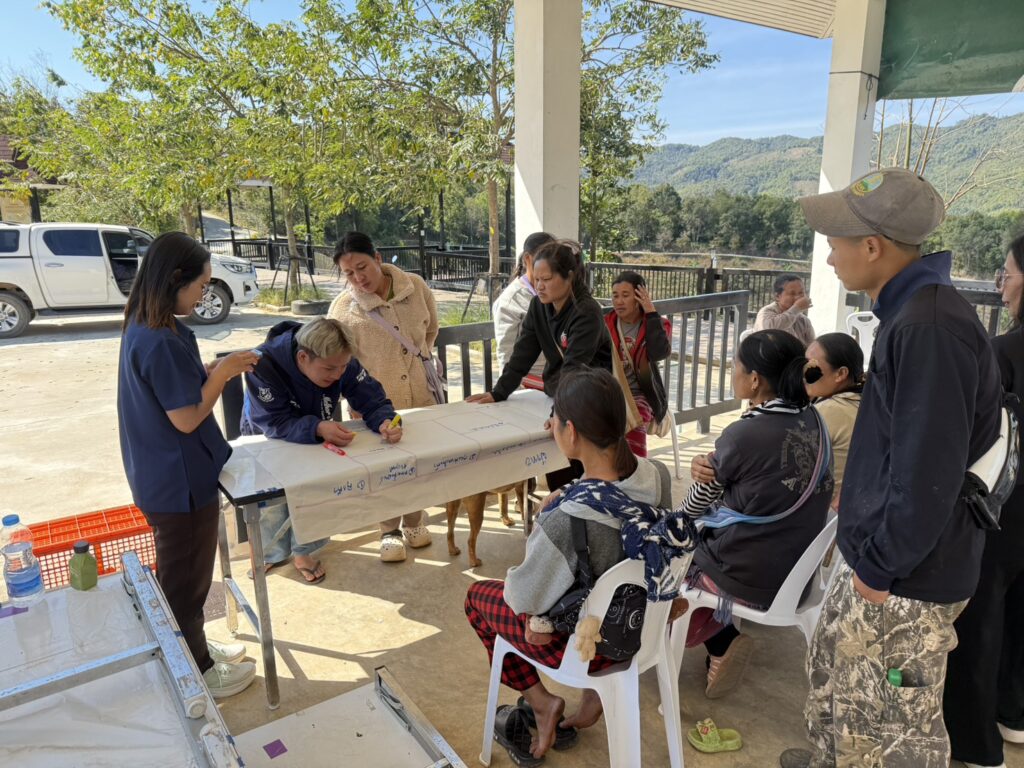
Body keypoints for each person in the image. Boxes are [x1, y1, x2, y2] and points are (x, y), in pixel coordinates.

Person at [779, 168, 1003, 768]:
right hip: (882, 557)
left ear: (873, 246)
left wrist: (879, 565)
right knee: (840, 695)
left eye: (836, 242)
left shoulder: (930, 327)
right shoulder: (911, 313)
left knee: (889, 733)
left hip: (906, 574)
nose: (830, 258)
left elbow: (928, 473)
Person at [464, 368, 673, 763]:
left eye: (554, 419)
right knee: (603, 585)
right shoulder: (658, 477)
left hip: (586, 646)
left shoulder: (568, 520)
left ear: (570, 432)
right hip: (639, 631)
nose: (552, 426)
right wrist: (567, 493)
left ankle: (542, 703)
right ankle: (596, 696)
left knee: (478, 598)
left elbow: (522, 597)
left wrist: (546, 523)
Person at [117, 232, 259, 699]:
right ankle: (194, 670)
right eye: (200, 285)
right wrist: (224, 373)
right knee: (185, 583)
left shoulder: (149, 324)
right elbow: (186, 417)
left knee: (186, 576)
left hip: (165, 474)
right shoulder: (159, 340)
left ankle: (193, 646)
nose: (203, 294)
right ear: (175, 279)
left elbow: (176, 390)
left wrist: (213, 370)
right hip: (178, 485)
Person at [680, 329, 833, 698]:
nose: (731, 371)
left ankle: (720, 640)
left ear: (754, 380)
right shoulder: (814, 419)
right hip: (797, 573)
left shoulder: (745, 434)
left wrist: (689, 497)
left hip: (750, 575)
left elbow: (695, 505)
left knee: (665, 552)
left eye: (735, 365)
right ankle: (720, 640)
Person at [239, 318, 404, 583]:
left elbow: (371, 398)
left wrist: (384, 420)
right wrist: (317, 427)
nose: (338, 375)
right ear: (303, 357)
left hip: (318, 432)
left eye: (343, 367)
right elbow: (273, 420)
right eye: (329, 369)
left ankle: (305, 551)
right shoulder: (263, 363)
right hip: (267, 435)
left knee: (314, 492)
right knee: (271, 501)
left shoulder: (339, 358)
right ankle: (270, 553)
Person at [943, 232, 1024, 768]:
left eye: (1007, 274)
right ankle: (1013, 713)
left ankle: (977, 744)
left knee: (982, 614)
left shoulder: (1005, 352)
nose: (1002, 286)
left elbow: (980, 439)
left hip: (1006, 507)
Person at [466, 239, 612, 491]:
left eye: (547, 279)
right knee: (558, 471)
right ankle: (562, 504)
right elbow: (523, 353)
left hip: (591, 399)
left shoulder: (586, 311)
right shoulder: (538, 306)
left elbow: (574, 367)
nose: (539, 286)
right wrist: (499, 392)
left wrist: (559, 415)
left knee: (585, 474)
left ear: (569, 277)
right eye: (536, 279)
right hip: (560, 394)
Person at [328, 231, 437, 562]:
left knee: (419, 462)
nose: (358, 278)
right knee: (384, 470)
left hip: (420, 394)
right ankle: (389, 530)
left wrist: (420, 360)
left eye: (362, 267)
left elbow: (431, 329)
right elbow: (337, 360)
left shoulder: (414, 287)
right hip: (374, 405)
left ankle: (415, 521)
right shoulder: (344, 309)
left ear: (377, 257)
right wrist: (357, 400)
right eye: (349, 273)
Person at [605, 271, 672, 458]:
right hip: (611, 390)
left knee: (634, 415)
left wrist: (651, 313)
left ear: (638, 298)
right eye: (615, 295)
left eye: (625, 295)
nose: (619, 301)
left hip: (642, 394)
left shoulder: (658, 324)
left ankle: (636, 467)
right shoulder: (606, 324)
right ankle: (606, 466)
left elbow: (660, 353)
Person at [804, 332, 864, 510]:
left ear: (840, 374)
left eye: (811, 367)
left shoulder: (830, 410)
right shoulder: (864, 400)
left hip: (825, 513)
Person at [492, 231, 556, 390]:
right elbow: (506, 357)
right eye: (545, 257)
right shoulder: (511, 301)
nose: (551, 265)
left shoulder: (554, 293)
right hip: (530, 387)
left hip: (557, 382)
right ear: (528, 259)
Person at [754, 275, 816, 347]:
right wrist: (796, 308)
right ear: (777, 296)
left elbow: (811, 346)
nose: (798, 297)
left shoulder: (803, 320)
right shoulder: (766, 312)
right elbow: (770, 331)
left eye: (801, 292)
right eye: (792, 293)